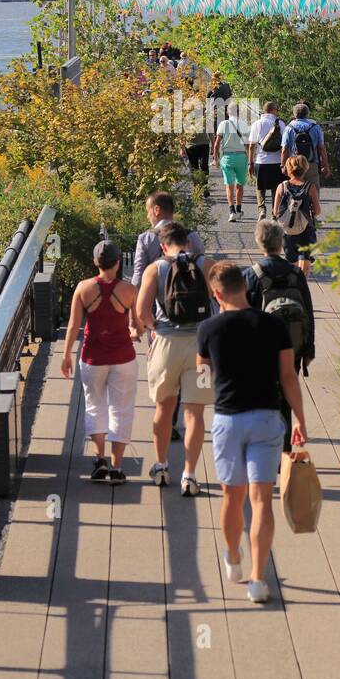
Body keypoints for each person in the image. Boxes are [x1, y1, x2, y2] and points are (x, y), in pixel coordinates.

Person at [197, 261, 307, 604]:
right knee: (262, 501)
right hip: (266, 418)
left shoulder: (208, 330)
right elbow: (288, 376)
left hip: (228, 420)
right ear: (245, 288)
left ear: (217, 294)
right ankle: (258, 580)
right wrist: (300, 419)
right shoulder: (273, 326)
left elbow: (203, 382)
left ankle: (232, 556)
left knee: (232, 496)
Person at [136, 223, 214, 495]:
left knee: (163, 409)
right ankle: (190, 475)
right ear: (188, 243)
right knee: (196, 413)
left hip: (166, 345)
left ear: (162, 245)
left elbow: (141, 310)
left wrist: (153, 329)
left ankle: (161, 466)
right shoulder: (206, 264)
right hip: (201, 350)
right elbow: (226, 297)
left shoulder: (154, 269)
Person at [61, 240, 141, 484]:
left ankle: (100, 460)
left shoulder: (83, 288)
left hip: (92, 357)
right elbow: (136, 327)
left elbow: (74, 325)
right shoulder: (129, 291)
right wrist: (135, 331)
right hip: (124, 358)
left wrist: (66, 356)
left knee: (95, 406)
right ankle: (117, 468)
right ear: (118, 263)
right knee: (122, 409)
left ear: (96, 263)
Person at [132, 192, 205, 443]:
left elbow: (138, 277)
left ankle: (168, 422)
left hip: (161, 319)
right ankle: (187, 412)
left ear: (156, 210)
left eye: (147, 209)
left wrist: (140, 321)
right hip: (196, 323)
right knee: (194, 382)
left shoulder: (146, 238)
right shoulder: (191, 236)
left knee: (164, 372)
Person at [244, 220, 315, 450]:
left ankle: (263, 448)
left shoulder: (252, 275)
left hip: (258, 348)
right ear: (282, 242)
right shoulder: (296, 273)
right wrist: (308, 349)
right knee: (286, 397)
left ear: (259, 242)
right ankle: (284, 451)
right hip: (291, 345)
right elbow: (308, 312)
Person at [273, 154, 321, 277]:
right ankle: (302, 285)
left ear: (289, 169)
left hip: (287, 231)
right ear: (305, 169)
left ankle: (293, 286)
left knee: (292, 262)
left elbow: (275, 212)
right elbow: (317, 211)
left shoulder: (281, 187)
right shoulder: (310, 187)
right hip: (305, 230)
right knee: (304, 262)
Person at [247, 101, 286, 221]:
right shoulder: (280, 124)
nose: (278, 112)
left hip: (261, 161)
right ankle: (274, 214)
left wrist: (250, 162)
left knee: (260, 188)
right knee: (276, 189)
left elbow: (251, 145)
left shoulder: (257, 124)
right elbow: (285, 145)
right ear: (272, 110)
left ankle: (262, 209)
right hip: (276, 161)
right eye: (277, 109)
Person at [280, 102, 330, 194]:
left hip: (293, 164)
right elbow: (321, 148)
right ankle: (313, 207)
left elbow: (284, 150)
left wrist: (283, 166)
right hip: (311, 163)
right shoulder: (315, 127)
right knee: (313, 191)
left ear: (294, 114)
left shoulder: (289, 128)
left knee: (294, 191)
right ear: (307, 114)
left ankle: (296, 207)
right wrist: (325, 165)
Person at [212, 100, 248, 222]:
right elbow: (248, 144)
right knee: (240, 184)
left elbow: (217, 144)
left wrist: (215, 158)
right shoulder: (244, 124)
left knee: (229, 185)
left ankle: (231, 211)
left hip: (227, 157)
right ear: (238, 112)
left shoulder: (223, 124)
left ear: (228, 112)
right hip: (241, 157)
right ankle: (238, 209)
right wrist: (250, 160)